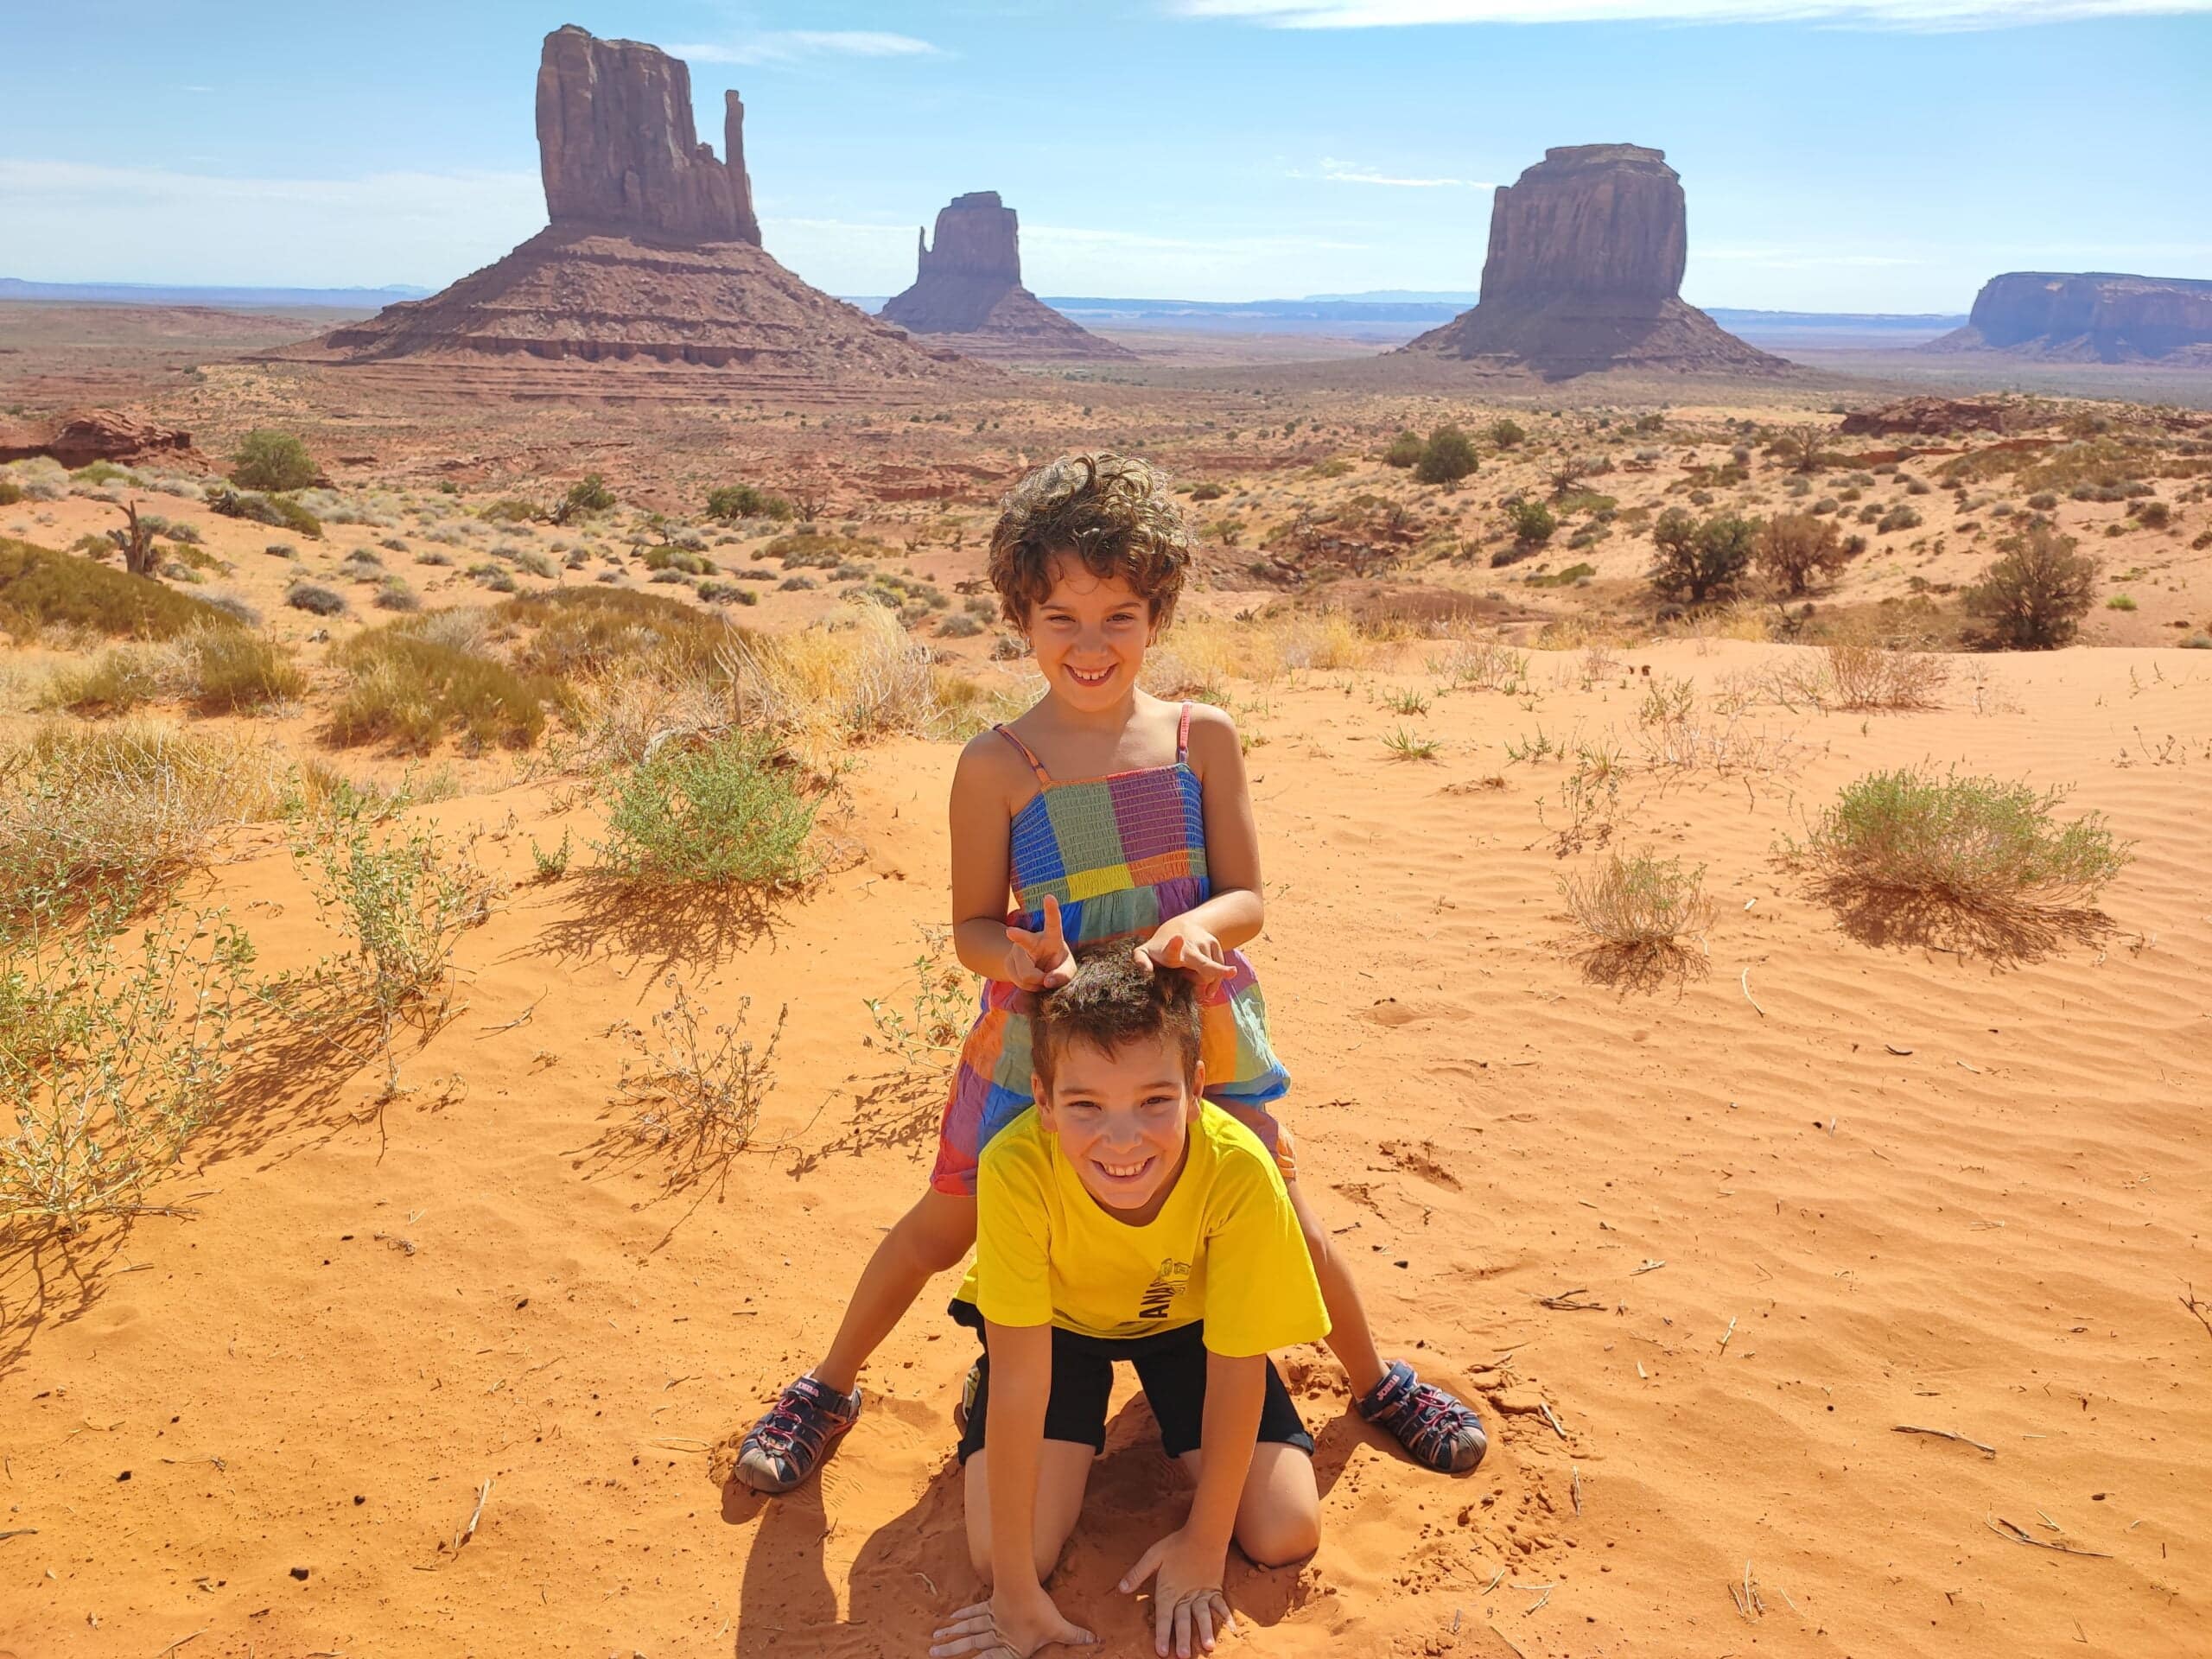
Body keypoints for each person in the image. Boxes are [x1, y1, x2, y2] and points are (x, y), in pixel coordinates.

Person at [734, 453, 1484, 1495]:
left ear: (1157, 614)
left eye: (1119, 618)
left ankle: (1375, 1380)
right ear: (1021, 617)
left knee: (1277, 1201)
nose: (1091, 647)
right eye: (1062, 620)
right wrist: (1022, 958)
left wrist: (1185, 935)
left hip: (1193, 1029)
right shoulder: (996, 765)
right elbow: (968, 928)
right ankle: (828, 1384)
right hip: (1044, 1038)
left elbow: (1247, 897)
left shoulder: (1199, 739)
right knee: (948, 1223)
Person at [931, 948, 1324, 1659]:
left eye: (1154, 1100)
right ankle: (982, 1393)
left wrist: (1205, 1546)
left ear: (1196, 1088)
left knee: (1284, 1529)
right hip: (1057, 1331)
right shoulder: (1015, 1169)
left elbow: (1237, 1364)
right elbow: (1026, 1379)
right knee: (1002, 1556)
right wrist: (1016, 1598)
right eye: (1086, 1104)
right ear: (1044, 1103)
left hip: (1187, 1323)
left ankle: (1162, 1403)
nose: (1123, 1138)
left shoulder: (1238, 1171)